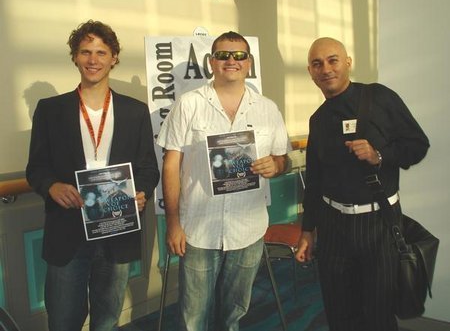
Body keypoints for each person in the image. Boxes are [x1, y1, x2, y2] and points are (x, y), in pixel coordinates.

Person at [26, 20, 160, 331]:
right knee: (63, 321)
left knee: (107, 318)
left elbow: (148, 168)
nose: (93, 60)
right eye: (85, 52)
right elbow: (36, 168)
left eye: (101, 52)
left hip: (117, 227)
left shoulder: (134, 111)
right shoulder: (50, 110)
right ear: (74, 57)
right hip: (67, 228)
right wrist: (52, 186)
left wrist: (140, 192)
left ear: (114, 58)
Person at [156, 31, 290, 331]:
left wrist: (276, 164)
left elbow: (284, 159)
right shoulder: (188, 105)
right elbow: (171, 165)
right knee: (193, 317)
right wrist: (174, 224)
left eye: (239, 55)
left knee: (235, 313)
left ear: (249, 62)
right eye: (224, 55)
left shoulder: (268, 109)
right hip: (198, 231)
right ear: (211, 62)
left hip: (248, 230)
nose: (232, 60)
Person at [295, 37, 430, 331]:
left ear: (347, 63)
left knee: (378, 312)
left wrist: (379, 155)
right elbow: (315, 180)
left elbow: (418, 145)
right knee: (339, 310)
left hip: (377, 223)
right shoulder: (318, 119)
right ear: (310, 71)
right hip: (332, 226)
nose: (326, 69)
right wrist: (307, 230)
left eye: (332, 60)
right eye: (317, 64)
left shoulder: (379, 97)